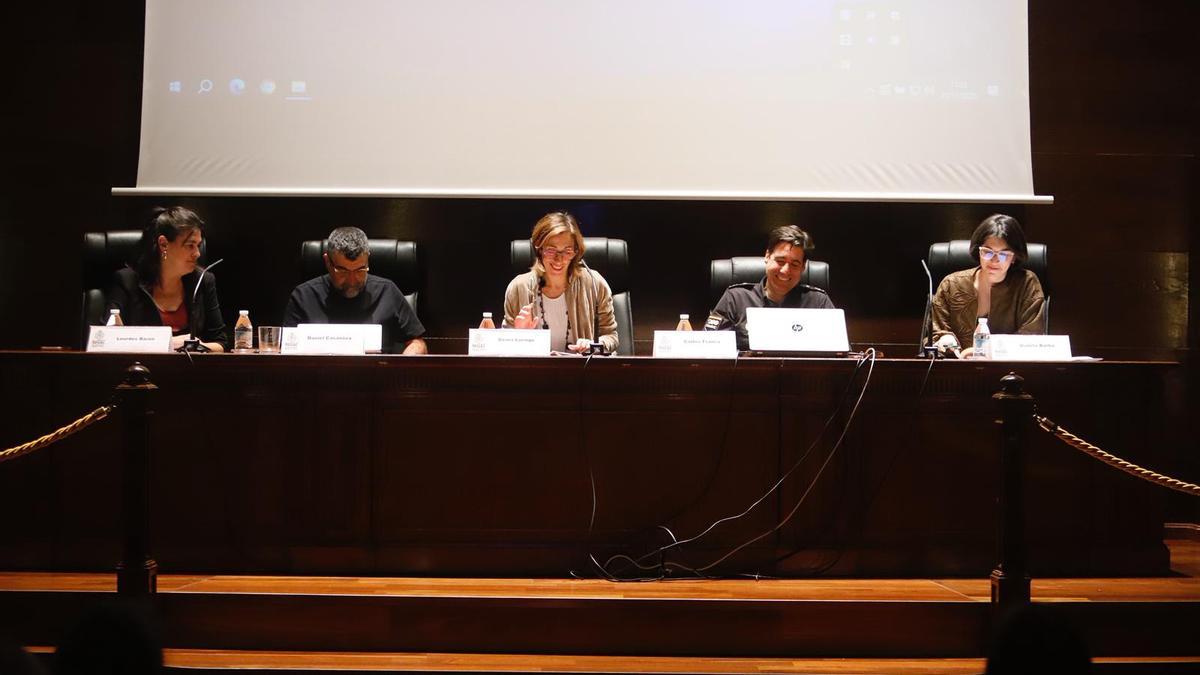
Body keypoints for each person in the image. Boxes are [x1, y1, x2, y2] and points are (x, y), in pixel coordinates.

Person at [284, 226, 427, 354]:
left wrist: (399, 369)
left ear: (368, 259)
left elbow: (418, 343)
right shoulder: (303, 297)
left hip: (376, 378)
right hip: (319, 379)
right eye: (342, 270)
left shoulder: (387, 291)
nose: (352, 281)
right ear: (327, 262)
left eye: (360, 269)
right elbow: (287, 351)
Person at [106, 206, 227, 352]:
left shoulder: (203, 281)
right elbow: (105, 340)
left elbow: (221, 343)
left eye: (198, 245)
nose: (197, 254)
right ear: (163, 244)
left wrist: (193, 346)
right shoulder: (127, 281)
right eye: (190, 246)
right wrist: (168, 342)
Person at [931, 214, 1045, 358]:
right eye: (987, 252)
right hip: (956, 372)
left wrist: (980, 352)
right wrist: (946, 341)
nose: (994, 260)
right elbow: (937, 332)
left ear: (1014, 257)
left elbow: (1031, 339)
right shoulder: (951, 284)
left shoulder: (1027, 284)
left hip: (1009, 372)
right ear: (978, 251)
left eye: (1003, 254)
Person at [503, 211, 619, 354]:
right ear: (539, 250)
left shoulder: (594, 284)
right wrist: (519, 336)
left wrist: (594, 345)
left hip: (582, 371)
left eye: (567, 251)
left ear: (576, 252)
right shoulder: (518, 288)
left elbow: (611, 337)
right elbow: (504, 347)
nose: (559, 259)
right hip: (535, 372)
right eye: (551, 250)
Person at [705, 225, 835, 351]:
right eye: (780, 261)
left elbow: (841, 355)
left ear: (803, 267)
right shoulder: (735, 298)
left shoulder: (819, 302)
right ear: (767, 256)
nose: (785, 270)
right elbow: (709, 349)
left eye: (795, 264)